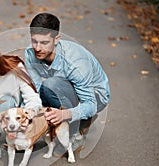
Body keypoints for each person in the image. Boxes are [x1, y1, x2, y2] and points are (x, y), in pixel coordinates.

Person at [24, 13, 110, 151]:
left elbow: (91, 104)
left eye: (44, 42)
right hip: (65, 87)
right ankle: (42, 130)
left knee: (51, 85)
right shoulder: (30, 53)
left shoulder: (76, 62)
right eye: (34, 41)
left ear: (56, 39)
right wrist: (25, 116)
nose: (37, 48)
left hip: (95, 97)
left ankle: (76, 131)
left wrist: (64, 114)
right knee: (29, 91)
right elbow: (35, 89)